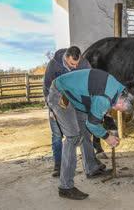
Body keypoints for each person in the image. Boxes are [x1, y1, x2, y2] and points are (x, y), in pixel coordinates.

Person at [48, 68, 134, 200]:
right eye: (120, 110)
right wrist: (107, 137)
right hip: (60, 93)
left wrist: (106, 123)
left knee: (85, 131)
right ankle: (65, 187)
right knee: (73, 137)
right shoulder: (104, 99)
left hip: (77, 96)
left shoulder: (120, 89)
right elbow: (93, 123)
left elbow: (100, 110)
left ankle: (91, 168)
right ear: (121, 102)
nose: (117, 111)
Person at [43, 46, 105, 177]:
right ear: (66, 57)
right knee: (58, 134)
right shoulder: (54, 65)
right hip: (58, 102)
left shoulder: (84, 64)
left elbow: (90, 83)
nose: (75, 67)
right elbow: (47, 88)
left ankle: (91, 166)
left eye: (77, 64)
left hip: (77, 101)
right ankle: (58, 166)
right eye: (72, 64)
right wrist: (51, 109)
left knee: (85, 132)